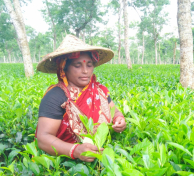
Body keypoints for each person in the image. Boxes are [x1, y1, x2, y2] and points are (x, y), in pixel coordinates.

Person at [36, 34, 126, 162]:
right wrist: (75, 150)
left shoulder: (99, 90)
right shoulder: (55, 96)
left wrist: (119, 119)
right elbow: (43, 138)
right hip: (65, 162)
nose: (85, 71)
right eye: (77, 66)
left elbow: (115, 111)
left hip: (102, 157)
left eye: (89, 65)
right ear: (64, 67)